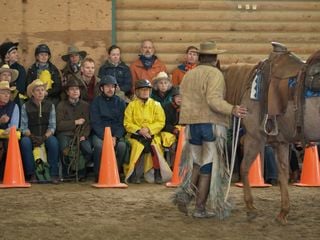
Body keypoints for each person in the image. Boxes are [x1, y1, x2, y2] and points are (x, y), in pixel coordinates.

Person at [173, 41, 247, 219]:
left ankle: (185, 196)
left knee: (197, 163)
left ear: (200, 57)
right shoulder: (215, 74)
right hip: (210, 124)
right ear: (215, 58)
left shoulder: (189, 75)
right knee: (208, 166)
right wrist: (232, 109)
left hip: (191, 125)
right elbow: (214, 100)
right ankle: (199, 208)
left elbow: (184, 99)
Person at [123, 79, 172, 184]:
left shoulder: (156, 105)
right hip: (135, 135)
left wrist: (149, 129)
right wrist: (139, 130)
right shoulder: (131, 106)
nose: (145, 92)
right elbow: (127, 123)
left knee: (155, 145)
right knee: (137, 146)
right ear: (137, 92)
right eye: (142, 90)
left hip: (152, 134)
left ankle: (157, 173)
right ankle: (134, 173)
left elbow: (160, 122)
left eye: (147, 90)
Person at [20, 79, 60, 184]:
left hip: (45, 135)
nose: (40, 92)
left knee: (53, 142)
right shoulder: (25, 106)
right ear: (32, 93)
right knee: (25, 142)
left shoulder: (50, 105)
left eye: (42, 90)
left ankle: (54, 174)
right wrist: (32, 137)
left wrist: (44, 137)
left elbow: (52, 126)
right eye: (37, 90)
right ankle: (31, 173)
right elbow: (23, 127)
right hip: (31, 135)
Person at [90, 75, 129, 180]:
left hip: (116, 134)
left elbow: (122, 122)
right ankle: (98, 174)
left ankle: (116, 172)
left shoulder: (121, 102)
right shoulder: (96, 102)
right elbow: (95, 122)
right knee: (98, 146)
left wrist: (115, 136)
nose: (110, 89)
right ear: (102, 88)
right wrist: (106, 137)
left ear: (115, 88)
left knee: (122, 147)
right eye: (107, 86)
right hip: (100, 133)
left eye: (112, 86)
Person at [56, 79, 92, 181]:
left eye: (77, 89)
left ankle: (81, 171)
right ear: (67, 92)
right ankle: (67, 173)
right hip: (65, 134)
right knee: (65, 149)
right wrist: (75, 122)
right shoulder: (61, 105)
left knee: (87, 150)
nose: (75, 91)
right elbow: (59, 125)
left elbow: (88, 124)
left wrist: (84, 135)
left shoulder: (85, 106)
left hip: (81, 134)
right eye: (72, 89)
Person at [0, 81, 20, 180]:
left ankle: (8, 176)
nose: (6, 95)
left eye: (8, 93)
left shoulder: (14, 106)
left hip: (8, 135)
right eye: (3, 93)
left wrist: (10, 129)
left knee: (10, 145)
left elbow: (14, 125)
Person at [161, 86, 182, 167]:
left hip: (182, 133)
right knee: (172, 146)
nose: (180, 99)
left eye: (182, 97)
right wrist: (174, 130)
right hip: (168, 132)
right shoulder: (166, 107)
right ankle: (172, 166)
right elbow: (163, 124)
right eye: (178, 97)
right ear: (173, 98)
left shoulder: (186, 108)